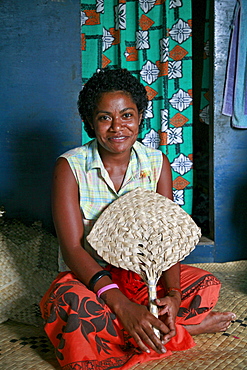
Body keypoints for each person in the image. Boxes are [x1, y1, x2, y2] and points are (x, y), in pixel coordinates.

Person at [40, 68, 235, 370]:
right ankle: (180, 331)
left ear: (140, 116)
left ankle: (151, 328)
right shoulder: (70, 167)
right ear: (90, 122)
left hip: (144, 279)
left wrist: (172, 294)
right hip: (92, 280)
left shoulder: (156, 164)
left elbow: (164, 236)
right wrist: (122, 305)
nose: (117, 127)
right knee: (73, 307)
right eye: (105, 117)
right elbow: (73, 250)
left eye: (127, 115)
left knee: (205, 284)